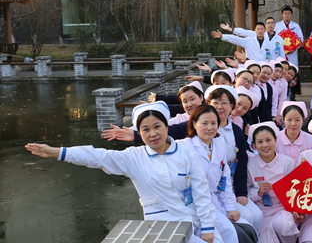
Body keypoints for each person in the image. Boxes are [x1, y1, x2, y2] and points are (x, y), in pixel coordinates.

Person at [26, 102, 220, 243]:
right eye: (145, 129)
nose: (153, 134)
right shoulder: (133, 158)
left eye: (157, 127)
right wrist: (57, 152)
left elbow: (201, 191)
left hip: (196, 219)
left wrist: (207, 227)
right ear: (139, 133)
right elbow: (97, 156)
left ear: (166, 127)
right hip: (165, 225)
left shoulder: (185, 151)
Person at [182, 104, 256, 243]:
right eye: (204, 123)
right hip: (196, 204)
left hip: (217, 200)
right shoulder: (184, 147)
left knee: (247, 227)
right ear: (194, 124)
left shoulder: (219, 148)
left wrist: (230, 207)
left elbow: (225, 181)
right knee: (229, 233)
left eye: (213, 123)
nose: (210, 127)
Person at [204, 85, 264, 235]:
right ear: (208, 104)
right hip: (209, 190)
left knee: (257, 215)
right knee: (247, 217)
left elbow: (241, 162)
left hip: (231, 187)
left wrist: (241, 193)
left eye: (224, 103)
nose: (219, 107)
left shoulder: (236, 131)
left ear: (231, 106)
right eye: (215, 102)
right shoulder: (203, 129)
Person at [247, 122, 301, 243]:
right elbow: (246, 192)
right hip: (261, 210)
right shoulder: (250, 165)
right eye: (260, 142)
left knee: (284, 226)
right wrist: (258, 192)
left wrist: (296, 209)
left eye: (268, 140)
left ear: (276, 141)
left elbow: (298, 189)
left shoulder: (288, 162)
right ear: (254, 146)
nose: (265, 145)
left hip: (284, 208)